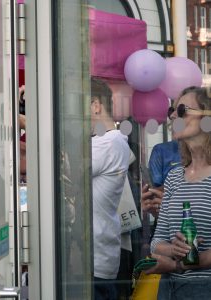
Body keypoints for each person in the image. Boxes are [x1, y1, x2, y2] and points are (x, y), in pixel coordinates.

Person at [146, 86, 211, 299]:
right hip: (171, 290)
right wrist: (175, 251)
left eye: (182, 109)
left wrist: (177, 264)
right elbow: (157, 242)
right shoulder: (174, 176)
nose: (173, 115)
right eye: (171, 111)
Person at [90, 77, 130, 300]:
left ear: (96, 106)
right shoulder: (97, 142)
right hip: (92, 258)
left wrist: (24, 121)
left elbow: (65, 165)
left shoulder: (110, 142)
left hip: (95, 262)